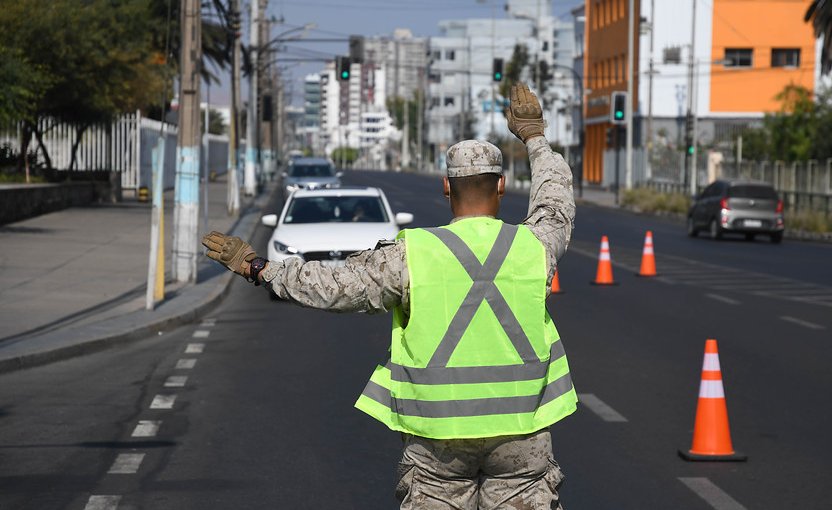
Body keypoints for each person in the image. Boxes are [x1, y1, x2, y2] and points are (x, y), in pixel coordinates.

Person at [202, 83, 578, 509]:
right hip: (522, 433)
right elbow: (555, 199)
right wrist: (535, 137)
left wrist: (258, 268)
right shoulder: (535, 246)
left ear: (446, 188)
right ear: (502, 186)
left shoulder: (411, 255)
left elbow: (333, 286)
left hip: (437, 439)